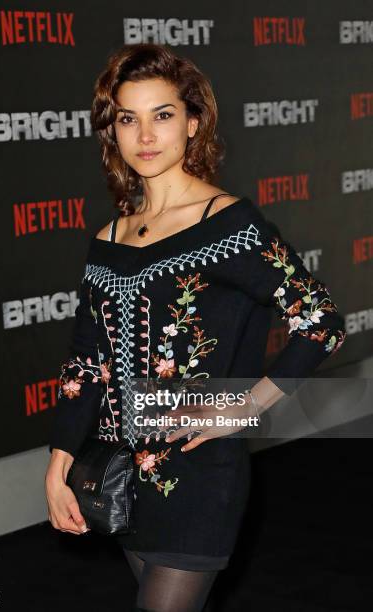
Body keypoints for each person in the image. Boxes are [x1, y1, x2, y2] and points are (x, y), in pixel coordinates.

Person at [45, 43, 347, 612]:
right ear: (113, 131)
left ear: (193, 121)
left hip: (201, 469)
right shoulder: (109, 239)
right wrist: (59, 462)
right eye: (128, 119)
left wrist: (246, 405)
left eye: (162, 115)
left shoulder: (231, 225)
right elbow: (85, 360)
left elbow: (320, 322)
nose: (146, 135)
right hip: (116, 472)